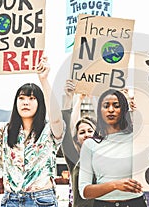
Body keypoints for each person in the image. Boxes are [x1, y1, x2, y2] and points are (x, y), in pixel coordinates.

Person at [0, 57, 65, 206]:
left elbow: (56, 119)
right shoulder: (6, 130)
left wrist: (44, 80)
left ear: (40, 103)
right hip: (11, 199)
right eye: (22, 98)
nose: (25, 102)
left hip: (41, 199)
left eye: (31, 98)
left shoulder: (49, 130)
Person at [78, 89, 147, 207]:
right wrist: (114, 185)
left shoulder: (138, 138)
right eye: (106, 106)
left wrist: (143, 112)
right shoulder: (90, 144)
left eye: (116, 106)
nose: (111, 110)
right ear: (99, 111)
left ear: (124, 109)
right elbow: (84, 191)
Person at [61, 79, 96, 207]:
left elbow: (106, 125)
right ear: (76, 138)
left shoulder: (104, 155)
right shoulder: (74, 159)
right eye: (82, 132)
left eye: (90, 130)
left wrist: (93, 98)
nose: (86, 134)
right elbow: (66, 126)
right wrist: (73, 99)